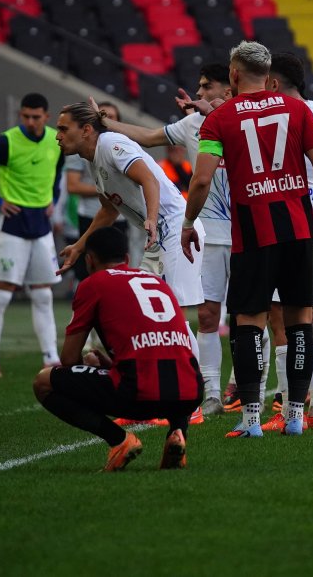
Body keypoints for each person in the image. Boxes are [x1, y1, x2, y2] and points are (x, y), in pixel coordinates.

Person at [181, 40, 313, 438]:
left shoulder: (220, 118)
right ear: (268, 77)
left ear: (233, 74)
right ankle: (297, 417)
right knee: (300, 319)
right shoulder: (298, 109)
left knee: (248, 321)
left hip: (253, 231)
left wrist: (188, 222)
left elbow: (201, 179)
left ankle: (251, 419)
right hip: (300, 226)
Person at [105, 63, 234, 415]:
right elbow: (147, 137)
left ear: (228, 89)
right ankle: (210, 394)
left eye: (207, 86)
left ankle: (251, 390)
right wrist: (107, 123)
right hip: (204, 232)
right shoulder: (192, 124)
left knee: (249, 316)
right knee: (207, 315)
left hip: (248, 232)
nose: (200, 92)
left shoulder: (242, 121)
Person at [54, 100, 206, 381]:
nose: (57, 135)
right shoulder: (93, 159)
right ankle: (151, 389)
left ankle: (190, 397)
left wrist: (149, 217)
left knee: (172, 318)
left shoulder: (111, 144)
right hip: (158, 236)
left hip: (176, 229)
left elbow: (149, 179)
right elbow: (109, 210)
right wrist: (80, 245)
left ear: (86, 129)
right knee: (145, 316)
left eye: (64, 128)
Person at [33, 228, 203, 470]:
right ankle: (176, 432)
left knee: (44, 382)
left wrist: (92, 364)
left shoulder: (93, 284)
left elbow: (68, 359)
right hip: (191, 393)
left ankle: (120, 440)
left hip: (139, 393)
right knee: (173, 365)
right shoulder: (155, 281)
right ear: (126, 258)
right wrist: (113, 365)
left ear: (89, 260)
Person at [260, 51, 313, 432]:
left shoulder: (284, 113)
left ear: (274, 83)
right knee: (309, 313)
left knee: (283, 316)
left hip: (290, 216)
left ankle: (290, 405)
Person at [0, 93, 65, 377]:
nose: (30, 122)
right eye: (26, 116)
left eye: (36, 117)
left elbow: (56, 174)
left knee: (43, 296)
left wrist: (53, 198)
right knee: (1, 295)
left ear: (46, 116)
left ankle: (50, 357)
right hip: (13, 228)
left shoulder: (55, 140)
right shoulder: (6, 141)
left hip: (42, 229)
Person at [64, 101, 124, 284]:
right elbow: (72, 186)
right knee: (87, 274)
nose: (106, 122)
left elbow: (148, 180)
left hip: (122, 218)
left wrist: (151, 217)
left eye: (111, 118)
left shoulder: (123, 148)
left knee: (118, 274)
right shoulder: (80, 149)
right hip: (90, 215)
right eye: (103, 117)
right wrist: (108, 191)